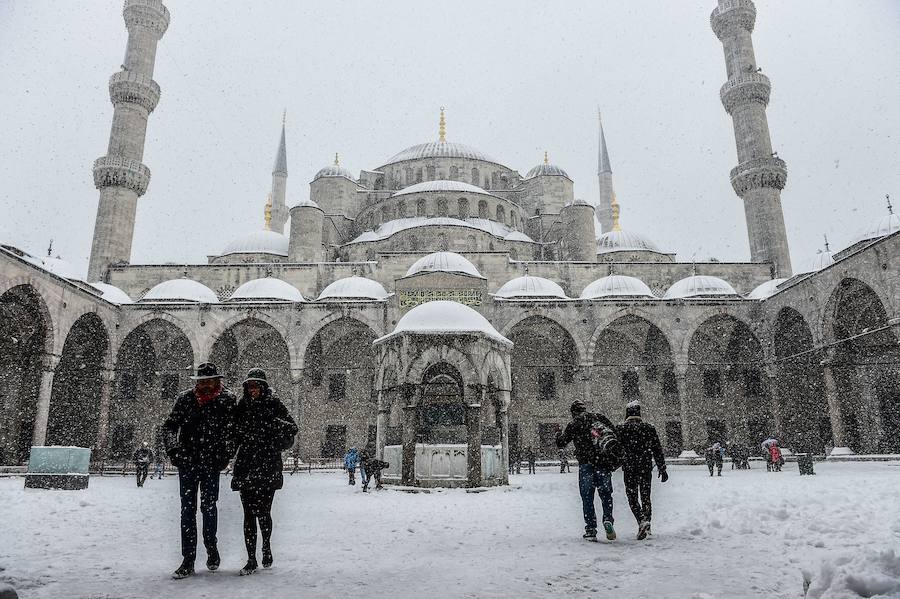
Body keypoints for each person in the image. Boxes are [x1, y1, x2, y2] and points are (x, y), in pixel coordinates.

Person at [163, 362, 237, 580]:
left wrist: (225, 455)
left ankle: (211, 547)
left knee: (208, 507)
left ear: (217, 381)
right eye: (201, 381)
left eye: (208, 381)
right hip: (188, 462)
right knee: (187, 510)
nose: (204, 385)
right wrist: (174, 450)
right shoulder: (185, 399)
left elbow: (233, 431)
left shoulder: (227, 400)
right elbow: (169, 427)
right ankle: (188, 559)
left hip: (211, 463)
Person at [230, 368, 298, 576]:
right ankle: (251, 558)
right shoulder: (243, 406)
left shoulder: (273, 404)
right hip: (247, 465)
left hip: (267, 464)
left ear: (263, 387)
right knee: (248, 514)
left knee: (264, 512)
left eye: (256, 386)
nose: (252, 390)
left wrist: (271, 423)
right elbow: (234, 432)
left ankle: (266, 546)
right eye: (249, 386)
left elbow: (291, 428)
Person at [556, 400, 621, 541]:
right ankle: (608, 519)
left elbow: (562, 443)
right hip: (602, 463)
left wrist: (558, 435)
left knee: (587, 497)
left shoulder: (574, 424)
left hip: (586, 464)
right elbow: (615, 434)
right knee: (606, 494)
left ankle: (591, 529)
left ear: (573, 412)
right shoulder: (599, 418)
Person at [615, 401, 668, 540]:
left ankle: (641, 520)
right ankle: (647, 523)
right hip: (645, 467)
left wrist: (611, 466)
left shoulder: (621, 429)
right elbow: (657, 449)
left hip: (629, 467)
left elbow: (615, 450)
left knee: (632, 497)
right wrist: (662, 468)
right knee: (646, 496)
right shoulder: (649, 428)